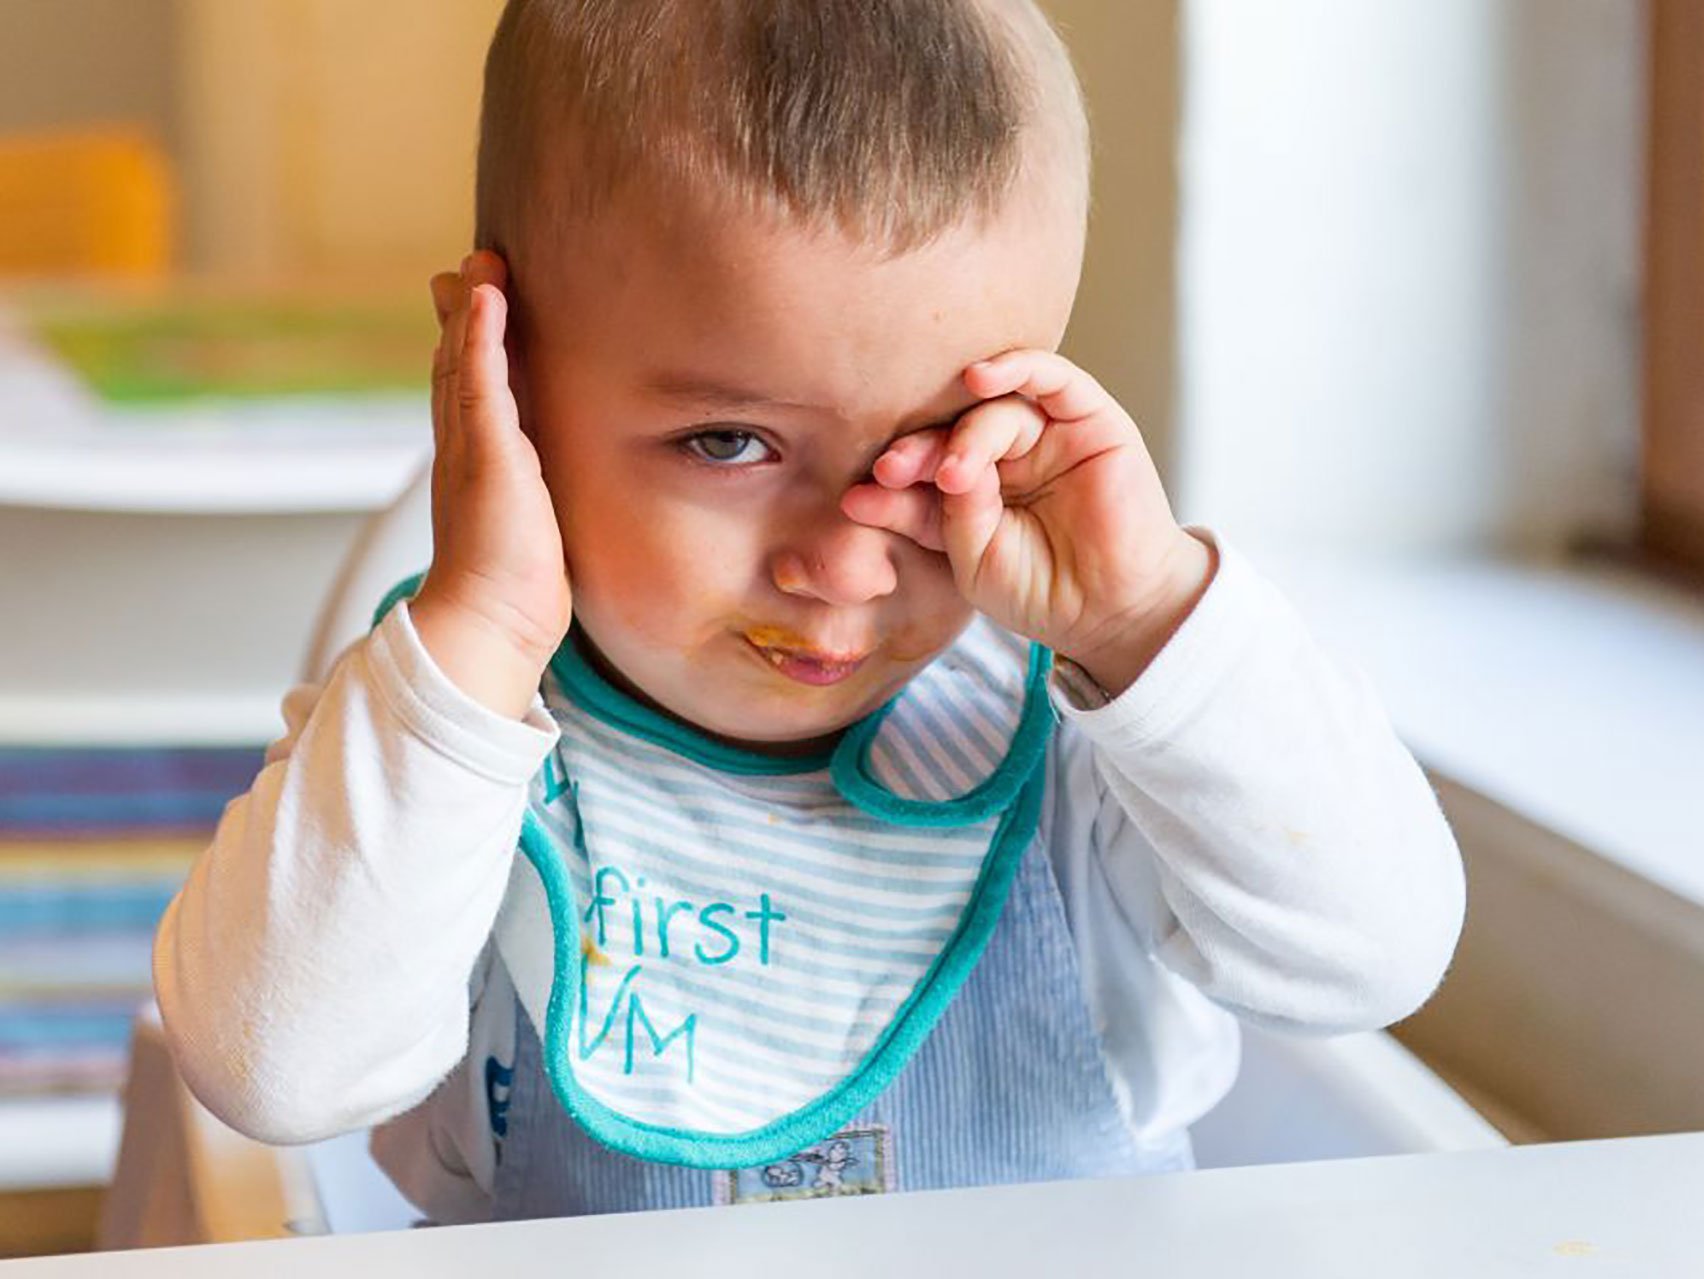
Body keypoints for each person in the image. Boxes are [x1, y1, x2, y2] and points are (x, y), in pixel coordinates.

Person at [154, 0, 1465, 1224]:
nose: (845, 567)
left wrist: (1152, 621)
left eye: (938, 453)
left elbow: (1377, 959)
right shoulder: (451, 737)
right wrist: (483, 631)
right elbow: (277, 1075)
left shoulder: (1090, 737)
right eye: (728, 441)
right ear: (496, 373)